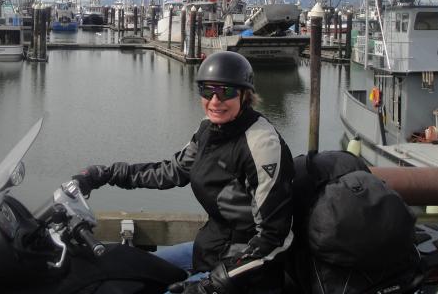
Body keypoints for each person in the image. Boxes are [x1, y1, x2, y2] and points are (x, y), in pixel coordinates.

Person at [73, 51, 294, 294]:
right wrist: (105, 174)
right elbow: (172, 171)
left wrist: (210, 285)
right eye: (207, 90)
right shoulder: (209, 130)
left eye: (226, 92)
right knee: (124, 265)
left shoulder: (261, 144)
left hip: (242, 271)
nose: (214, 101)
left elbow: (274, 237)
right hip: (209, 248)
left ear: (245, 95)